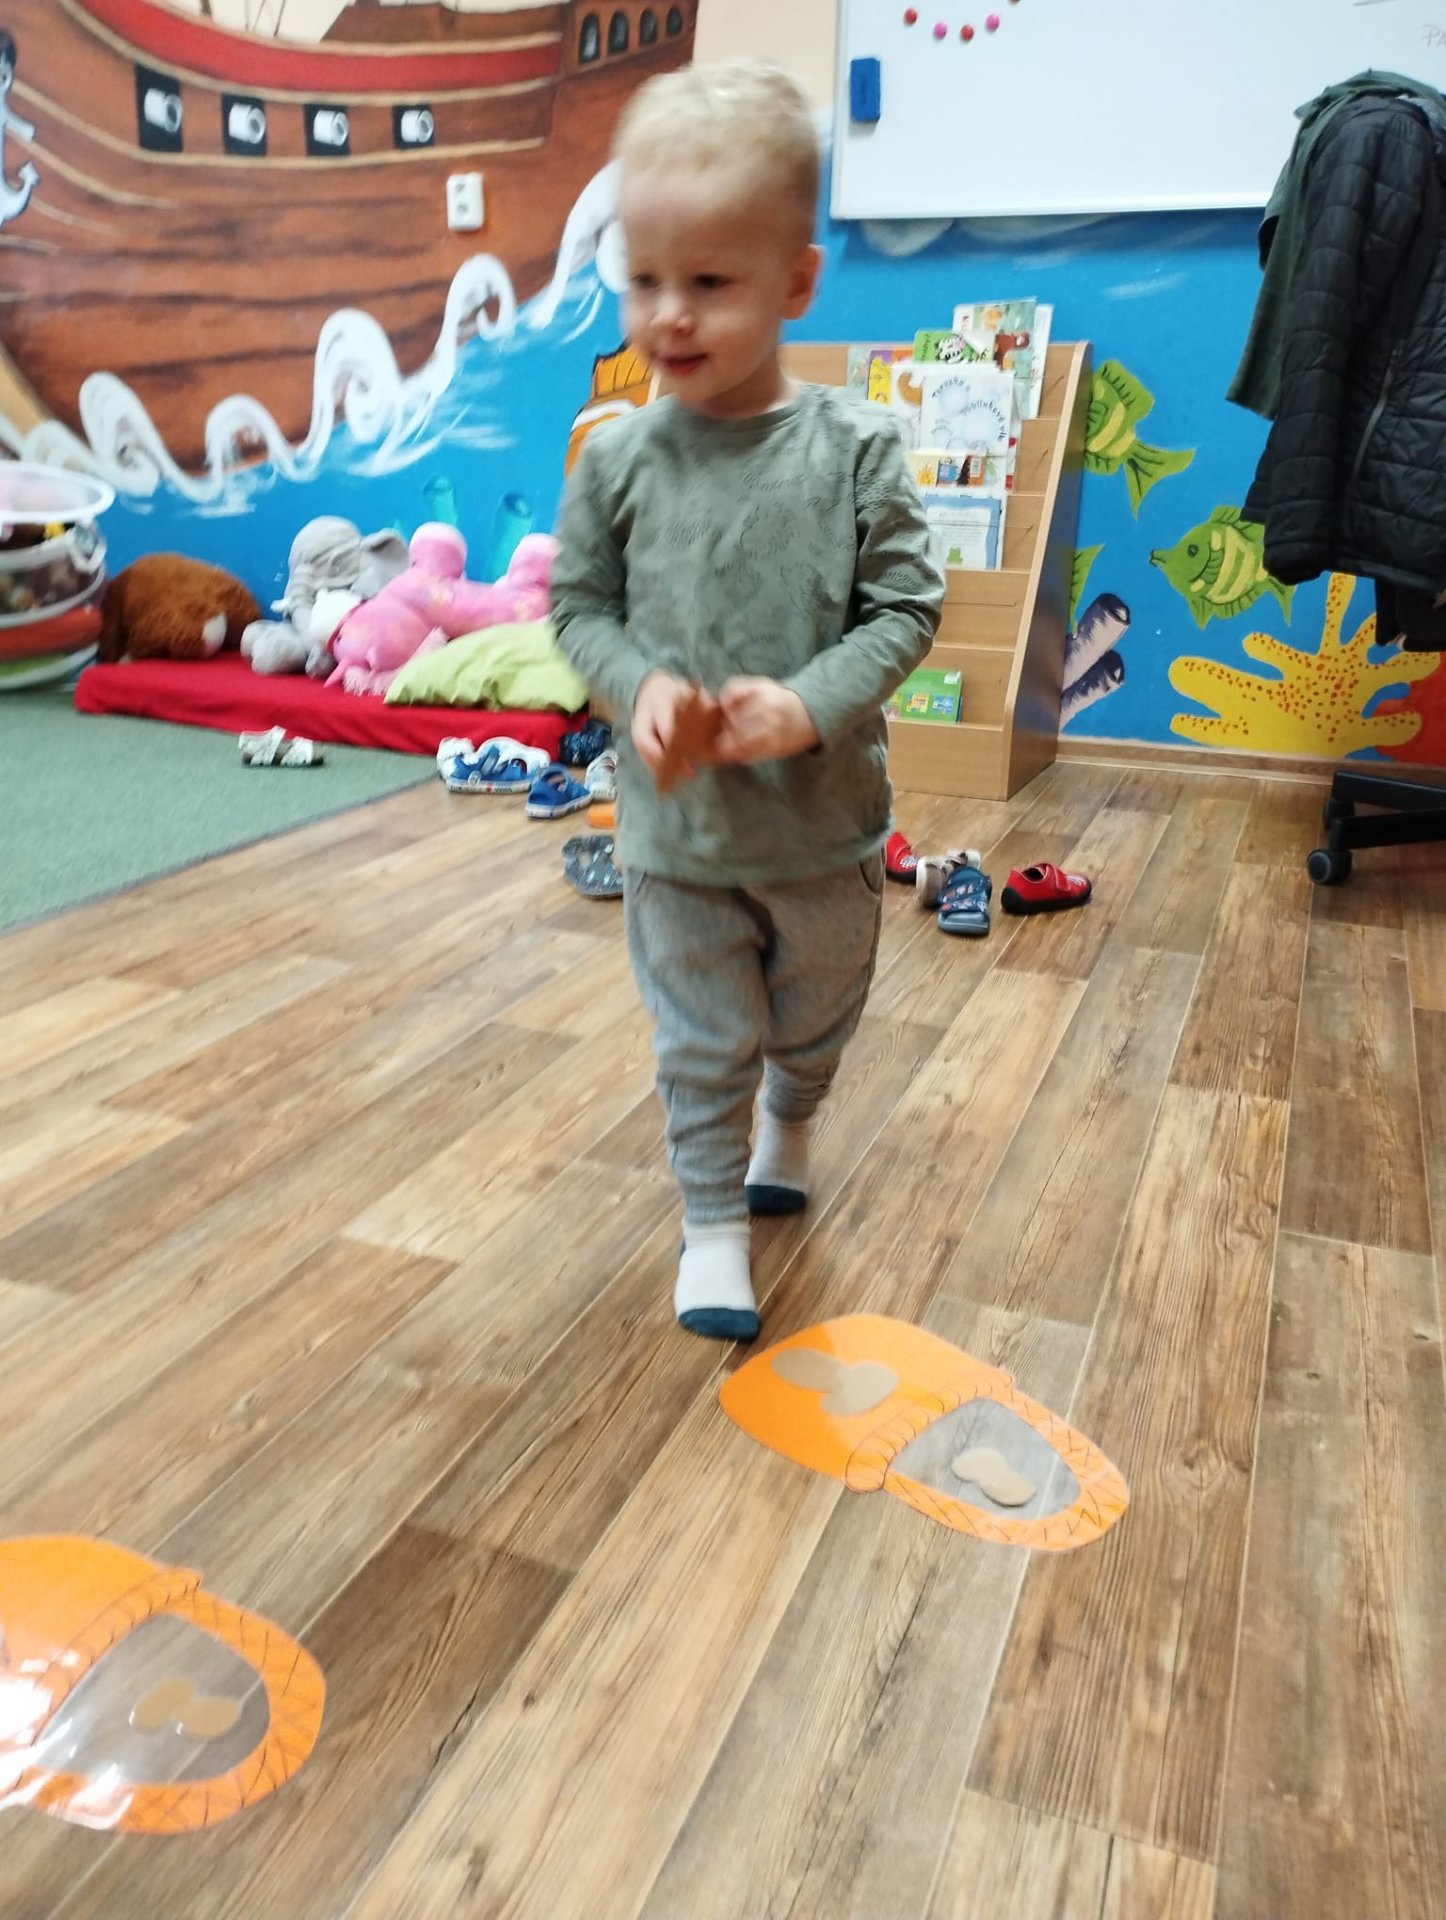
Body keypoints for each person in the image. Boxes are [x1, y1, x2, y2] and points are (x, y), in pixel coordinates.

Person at [551, 59, 944, 1344]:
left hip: (822, 827)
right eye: (643, 278)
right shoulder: (613, 458)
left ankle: (794, 1116)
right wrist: (638, 686)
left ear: (795, 283)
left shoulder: (856, 449)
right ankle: (712, 1223)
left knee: (814, 1020)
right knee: (703, 1037)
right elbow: (578, 611)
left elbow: (905, 608)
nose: (668, 315)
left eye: (711, 282)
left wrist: (814, 702)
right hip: (678, 840)